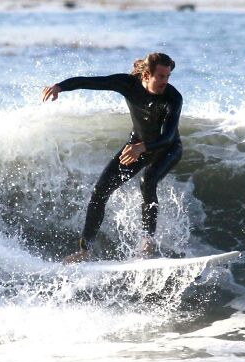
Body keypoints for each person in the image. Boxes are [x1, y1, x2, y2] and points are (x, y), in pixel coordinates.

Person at [41, 52, 182, 263]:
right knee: (100, 191)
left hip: (167, 148)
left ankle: (147, 243)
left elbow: (169, 136)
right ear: (146, 75)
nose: (165, 81)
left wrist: (142, 147)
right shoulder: (128, 84)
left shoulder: (173, 97)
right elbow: (92, 82)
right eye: (160, 76)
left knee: (148, 181)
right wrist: (60, 86)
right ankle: (84, 251)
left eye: (167, 76)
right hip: (137, 145)